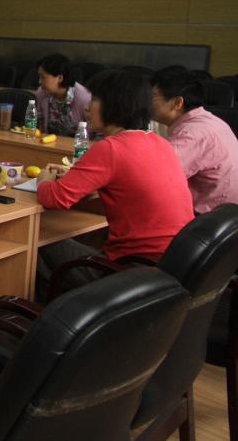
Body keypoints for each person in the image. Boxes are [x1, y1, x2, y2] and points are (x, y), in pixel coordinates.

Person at [34, 69, 193, 300]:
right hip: (173, 264)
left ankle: (52, 313)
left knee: (37, 240)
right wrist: (77, 175)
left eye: (94, 100)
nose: (87, 108)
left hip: (133, 271)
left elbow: (54, 198)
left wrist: (44, 180)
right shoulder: (160, 142)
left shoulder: (110, 148)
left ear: (115, 105)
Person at [151, 66, 238, 214]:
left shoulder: (191, 134)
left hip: (208, 219)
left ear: (178, 103)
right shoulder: (207, 120)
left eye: (153, 97)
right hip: (226, 214)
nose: (146, 103)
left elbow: (154, 177)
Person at [34, 53, 91, 137]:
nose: (39, 81)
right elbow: (40, 121)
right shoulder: (42, 93)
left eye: (43, 77)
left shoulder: (84, 98)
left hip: (79, 144)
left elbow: (98, 132)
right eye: (39, 77)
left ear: (60, 78)